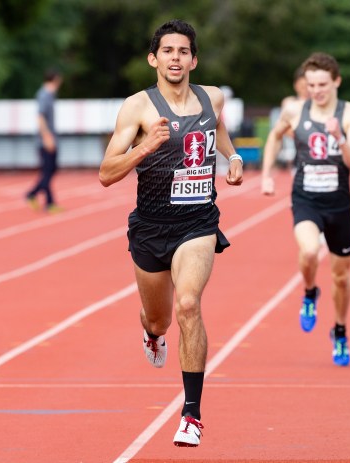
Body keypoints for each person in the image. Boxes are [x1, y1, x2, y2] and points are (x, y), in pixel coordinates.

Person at [99, 19, 243, 447]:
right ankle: (152, 334)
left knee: (188, 303)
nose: (175, 58)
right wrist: (145, 146)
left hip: (197, 224)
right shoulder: (137, 107)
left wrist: (232, 159)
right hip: (150, 227)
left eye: (183, 51)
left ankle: (192, 414)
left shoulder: (212, 98)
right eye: (167, 51)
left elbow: (219, 135)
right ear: (153, 59)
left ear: (193, 59)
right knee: (159, 317)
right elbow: (107, 173)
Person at [261, 52, 350, 367]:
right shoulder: (294, 109)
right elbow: (274, 137)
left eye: (322, 84)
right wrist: (266, 174)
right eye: (311, 85)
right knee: (308, 252)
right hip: (306, 198)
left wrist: (339, 137)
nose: (316, 91)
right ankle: (309, 293)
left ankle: (340, 330)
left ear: (336, 81)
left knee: (341, 276)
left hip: (339, 203)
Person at [26, 69, 63, 213]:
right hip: (46, 140)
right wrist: (47, 137)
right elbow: (40, 117)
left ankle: (37, 196)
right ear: (56, 79)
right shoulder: (44, 95)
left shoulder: (49, 95)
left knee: (50, 170)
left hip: (48, 138)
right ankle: (45, 201)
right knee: (48, 170)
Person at [276, 67, 309, 168]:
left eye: (308, 86)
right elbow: (281, 129)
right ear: (296, 85)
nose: (306, 89)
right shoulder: (289, 103)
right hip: (296, 146)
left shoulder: (318, 104)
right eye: (302, 86)